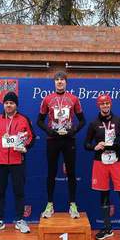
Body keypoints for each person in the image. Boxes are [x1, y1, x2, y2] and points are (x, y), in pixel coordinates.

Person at [84, 94, 120, 240]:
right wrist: (94, 147)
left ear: (111, 104)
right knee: (104, 193)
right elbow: (86, 144)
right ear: (98, 105)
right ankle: (107, 228)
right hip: (100, 162)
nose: (105, 106)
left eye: (107, 103)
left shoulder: (119, 121)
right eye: (102, 104)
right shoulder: (94, 124)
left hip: (117, 161)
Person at [37, 71, 86, 218]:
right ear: (54, 83)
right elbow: (39, 121)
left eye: (62, 80)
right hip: (53, 140)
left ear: (66, 82)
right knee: (51, 173)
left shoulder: (74, 99)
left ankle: (72, 205)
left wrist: (73, 131)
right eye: (57, 80)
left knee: (71, 173)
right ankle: (50, 205)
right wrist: (49, 131)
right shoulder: (47, 99)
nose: (59, 82)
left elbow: (82, 121)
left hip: (68, 140)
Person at [0, 91, 35, 233]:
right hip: (0, 162)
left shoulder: (23, 119)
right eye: (6, 103)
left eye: (11, 103)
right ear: (3, 105)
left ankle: (19, 220)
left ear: (16, 105)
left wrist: (25, 146)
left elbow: (31, 137)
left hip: (17, 161)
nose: (9, 105)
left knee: (18, 191)